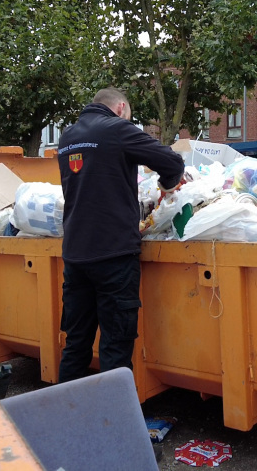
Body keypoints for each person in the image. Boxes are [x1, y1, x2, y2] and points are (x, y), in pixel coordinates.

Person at [56, 87, 185, 383]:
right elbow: (171, 162)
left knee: (76, 344)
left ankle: (65, 418)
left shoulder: (67, 137)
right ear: (121, 108)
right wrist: (168, 186)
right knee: (115, 346)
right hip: (113, 255)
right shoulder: (116, 128)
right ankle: (113, 425)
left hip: (75, 254)